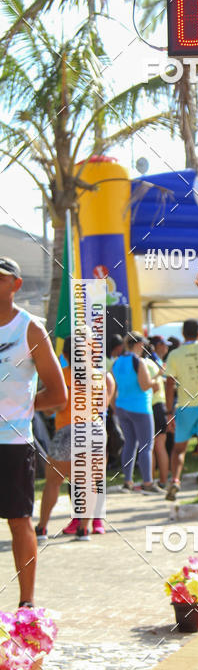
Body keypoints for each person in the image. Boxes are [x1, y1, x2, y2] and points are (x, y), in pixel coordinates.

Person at [0, 258, 67, 607]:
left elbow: (58, 395)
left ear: (16, 285)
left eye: (1, 279)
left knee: (18, 521)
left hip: (12, 443)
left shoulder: (29, 329)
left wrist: (23, 408)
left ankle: (26, 604)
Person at [36, 337, 115, 540]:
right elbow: (102, 407)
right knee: (89, 481)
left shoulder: (61, 377)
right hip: (95, 430)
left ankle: (42, 528)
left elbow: (58, 406)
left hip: (68, 429)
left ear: (64, 356)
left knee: (53, 482)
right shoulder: (99, 377)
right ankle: (84, 529)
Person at [165, 317, 198, 501]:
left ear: (183, 334)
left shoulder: (175, 354)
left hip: (184, 406)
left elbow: (169, 384)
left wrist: (169, 411)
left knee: (179, 449)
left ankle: (175, 480)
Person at [111, 332, 161, 492]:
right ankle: (147, 482)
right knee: (146, 445)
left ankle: (128, 481)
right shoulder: (139, 361)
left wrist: (114, 407)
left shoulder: (117, 362)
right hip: (140, 408)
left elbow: (114, 387)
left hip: (122, 407)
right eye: (144, 344)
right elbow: (145, 385)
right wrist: (157, 379)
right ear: (139, 344)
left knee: (130, 444)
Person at [145, 343, 169, 488]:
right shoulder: (155, 363)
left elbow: (154, 386)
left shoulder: (144, 364)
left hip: (151, 406)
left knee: (152, 447)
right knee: (161, 446)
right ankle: (163, 481)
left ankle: (151, 481)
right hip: (161, 406)